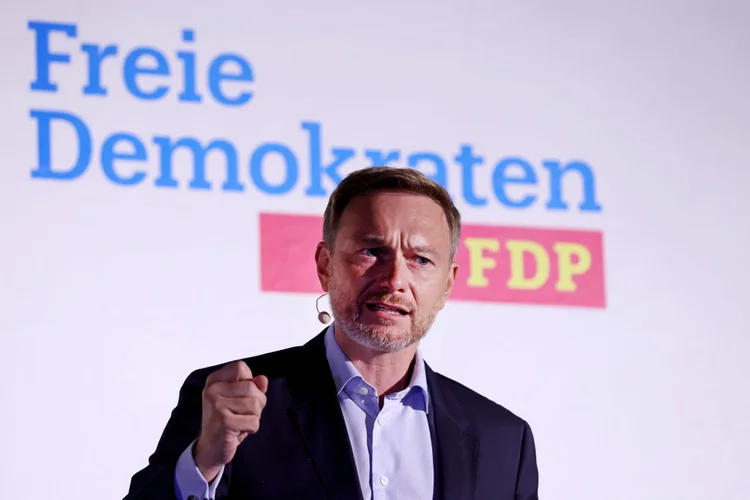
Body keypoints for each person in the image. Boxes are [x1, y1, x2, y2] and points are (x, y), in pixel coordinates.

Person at [124, 166, 539, 500]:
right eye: (371, 251)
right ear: (325, 265)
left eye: (421, 260)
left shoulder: (504, 440)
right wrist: (203, 463)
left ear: (448, 284)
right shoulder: (232, 404)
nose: (394, 279)